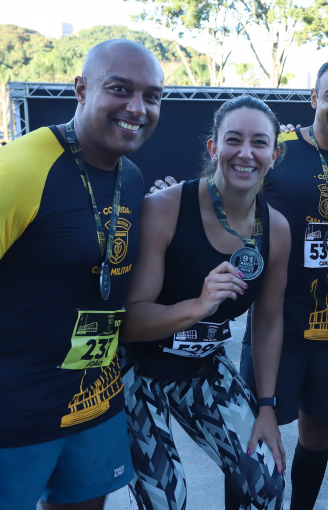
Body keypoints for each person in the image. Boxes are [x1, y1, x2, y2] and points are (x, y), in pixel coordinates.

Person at [0, 39, 163, 509]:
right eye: (120, 89)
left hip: (95, 403)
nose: (137, 108)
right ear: (80, 89)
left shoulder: (132, 177)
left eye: (151, 96)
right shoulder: (17, 170)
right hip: (6, 415)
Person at [121, 96, 288, 509]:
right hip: (137, 369)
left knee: (266, 480)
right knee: (166, 499)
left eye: (259, 143)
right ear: (214, 148)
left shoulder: (276, 229)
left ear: (274, 155)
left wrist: (266, 408)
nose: (245, 153)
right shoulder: (165, 207)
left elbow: (268, 321)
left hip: (203, 366)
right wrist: (197, 305)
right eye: (233, 140)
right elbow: (129, 322)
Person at [233, 57, 328, 510]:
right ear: (314, 98)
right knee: (253, 436)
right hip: (276, 321)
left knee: (317, 435)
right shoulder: (280, 150)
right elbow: (225, 199)